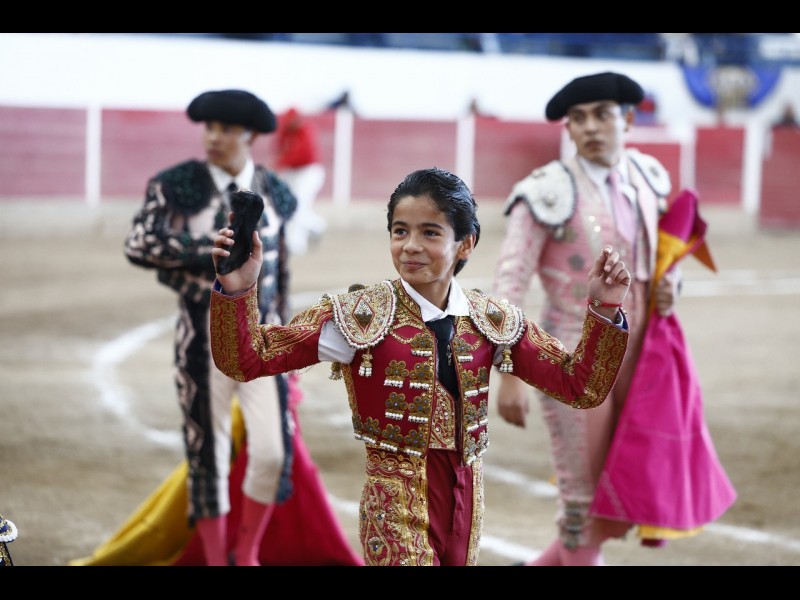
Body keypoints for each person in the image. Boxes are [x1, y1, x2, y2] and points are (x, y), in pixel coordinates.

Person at [207, 166, 632, 566]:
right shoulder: (358, 316)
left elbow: (581, 387)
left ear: (466, 243)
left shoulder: (492, 320)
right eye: (400, 231)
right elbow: (246, 360)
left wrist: (605, 310)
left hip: (467, 506)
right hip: (394, 504)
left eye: (429, 232)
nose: (410, 245)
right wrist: (238, 292)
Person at [491, 71, 733, 566]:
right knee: (581, 496)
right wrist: (508, 370)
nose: (590, 127)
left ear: (627, 119)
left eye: (602, 115)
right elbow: (509, 281)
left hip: (642, 358)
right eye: (578, 119)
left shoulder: (649, 177)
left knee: (620, 487)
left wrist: (672, 286)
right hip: (571, 358)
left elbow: (662, 260)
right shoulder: (545, 191)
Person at [123, 89, 351, 566]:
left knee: (271, 452)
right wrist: (205, 248)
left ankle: (245, 555)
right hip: (200, 339)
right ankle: (215, 559)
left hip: (262, 339)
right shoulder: (177, 184)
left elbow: (281, 276)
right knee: (207, 452)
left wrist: (289, 348)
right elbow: (139, 243)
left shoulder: (277, 192)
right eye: (209, 128)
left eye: (226, 129)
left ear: (249, 135)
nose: (214, 137)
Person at [274, 107, 327, 255]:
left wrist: (280, 163)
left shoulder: (306, 131)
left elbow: (302, 154)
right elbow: (280, 148)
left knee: (298, 205)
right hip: (292, 172)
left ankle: (297, 243)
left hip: (308, 172)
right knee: (293, 205)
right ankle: (316, 227)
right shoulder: (286, 132)